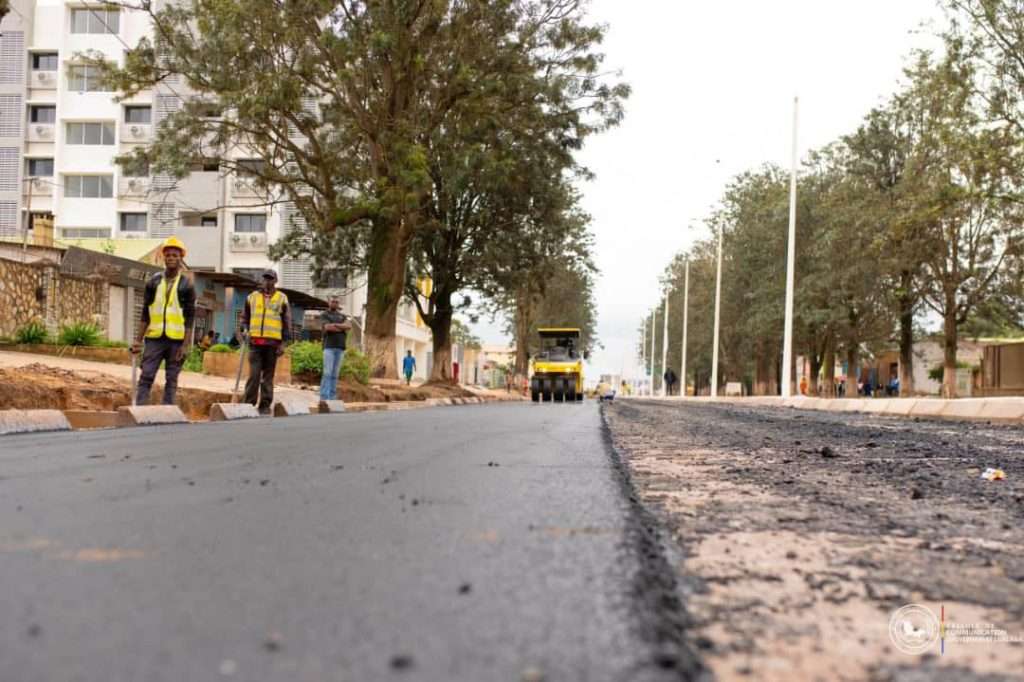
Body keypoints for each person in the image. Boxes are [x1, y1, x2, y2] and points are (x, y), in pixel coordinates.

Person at [131, 237, 195, 406]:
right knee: (146, 375)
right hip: (155, 338)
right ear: (163, 258)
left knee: (171, 379)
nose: (171, 258)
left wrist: (185, 345)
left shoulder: (186, 285)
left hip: (176, 341)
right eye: (168, 255)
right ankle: (140, 409)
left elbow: (190, 317)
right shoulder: (153, 282)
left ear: (181, 258)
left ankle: (168, 413)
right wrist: (138, 340)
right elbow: (146, 312)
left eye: (175, 255)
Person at [240, 269, 291, 414]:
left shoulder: (282, 298)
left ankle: (265, 406)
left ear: (275, 281)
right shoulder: (252, 297)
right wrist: (244, 329)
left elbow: (287, 322)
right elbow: (245, 318)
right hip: (255, 343)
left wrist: (283, 343)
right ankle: (249, 404)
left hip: (272, 345)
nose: (267, 282)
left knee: (268, 377)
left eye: (270, 279)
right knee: (254, 375)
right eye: (265, 279)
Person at [319, 296, 351, 402]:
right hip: (329, 347)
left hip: (340, 348)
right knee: (327, 373)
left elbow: (349, 326)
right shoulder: (324, 315)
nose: (335, 303)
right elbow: (327, 327)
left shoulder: (342, 315)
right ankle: (324, 397)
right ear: (329, 302)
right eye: (333, 301)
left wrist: (336, 325)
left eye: (336, 302)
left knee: (335, 374)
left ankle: (332, 397)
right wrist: (341, 327)